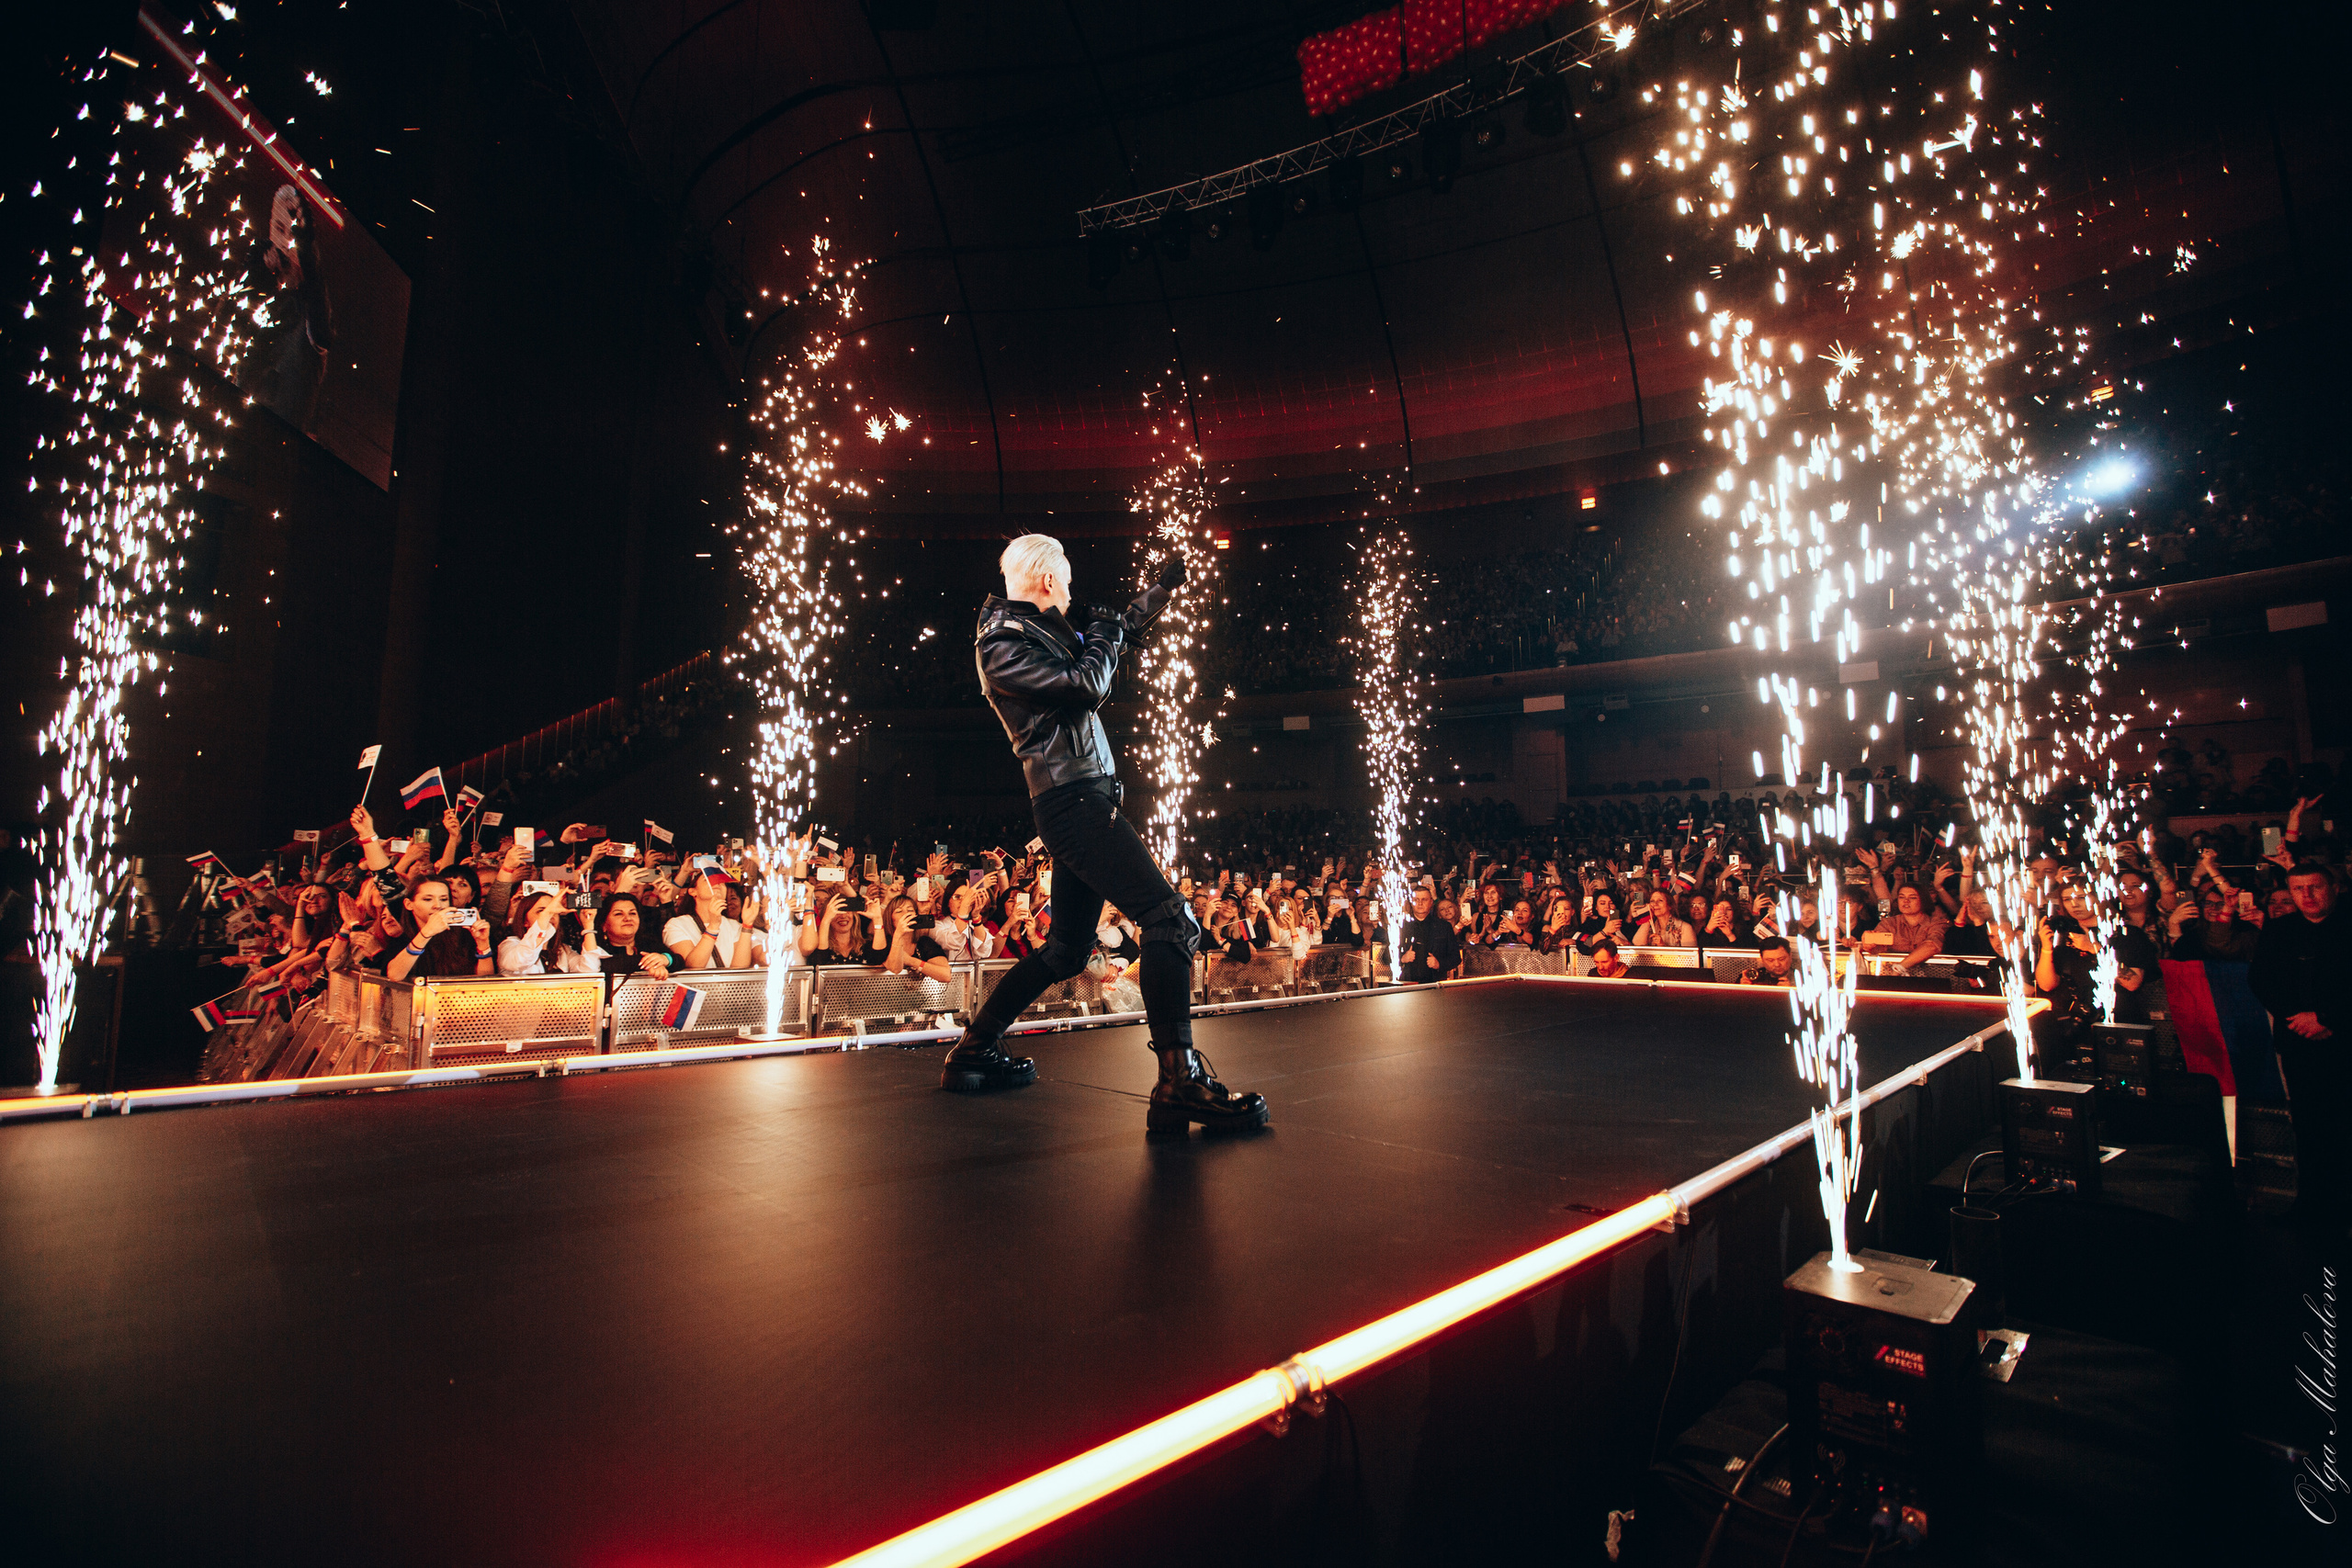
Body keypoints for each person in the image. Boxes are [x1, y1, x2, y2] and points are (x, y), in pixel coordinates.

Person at [944, 535, 1265, 1133]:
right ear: (1046, 582)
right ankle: (1178, 1079)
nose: (1071, 595)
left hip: (1080, 802)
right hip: (1074, 803)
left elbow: (1113, 632)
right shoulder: (1003, 646)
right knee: (1171, 918)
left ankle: (974, 1047)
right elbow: (1090, 682)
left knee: (1066, 950)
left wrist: (1160, 591)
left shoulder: (1037, 634)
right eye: (1065, 584)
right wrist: (1108, 635)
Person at [2250, 863, 2351, 1218]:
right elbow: (2261, 979)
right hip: (2298, 1042)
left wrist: (2326, 1019)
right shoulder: (2279, 930)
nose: (2306, 896)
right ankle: (2312, 1202)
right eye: (2298, 889)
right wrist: (2297, 1019)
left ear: (2334, 887)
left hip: (2344, 1039)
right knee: (2308, 1124)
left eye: (2315, 887)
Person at [664, 867, 763, 970]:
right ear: (693, 892)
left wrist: (747, 924)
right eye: (707, 879)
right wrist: (713, 927)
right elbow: (693, 966)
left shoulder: (734, 926)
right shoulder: (677, 924)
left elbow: (739, 968)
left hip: (729, 985)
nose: (716, 883)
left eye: (720, 881)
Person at [496, 888, 605, 976]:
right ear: (525, 921)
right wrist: (546, 915)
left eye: (554, 911)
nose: (551, 915)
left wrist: (588, 926)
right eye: (541, 911)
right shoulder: (509, 945)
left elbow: (590, 970)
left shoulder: (563, 950)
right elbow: (521, 960)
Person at [1396, 886, 1463, 984]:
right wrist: (1402, 958)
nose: (1420, 903)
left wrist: (1439, 964)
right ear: (1411, 902)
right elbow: (1386, 955)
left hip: (1435, 984)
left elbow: (1456, 958)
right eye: (1416, 900)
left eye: (1424, 899)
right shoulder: (1401, 926)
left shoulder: (1443, 926)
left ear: (1431, 902)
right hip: (1407, 984)